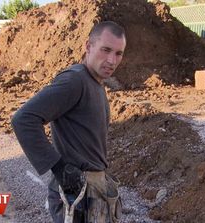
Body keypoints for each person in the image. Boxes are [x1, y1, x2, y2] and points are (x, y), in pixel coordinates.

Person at [11, 21, 126, 222]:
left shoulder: (95, 82)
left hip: (92, 188)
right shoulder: (74, 81)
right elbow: (24, 119)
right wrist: (59, 167)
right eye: (106, 50)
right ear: (88, 47)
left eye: (118, 53)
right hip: (77, 191)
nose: (112, 60)